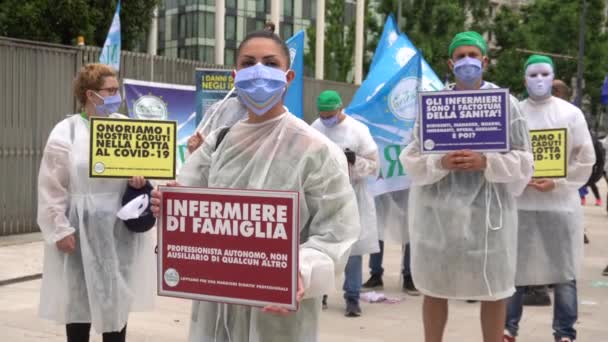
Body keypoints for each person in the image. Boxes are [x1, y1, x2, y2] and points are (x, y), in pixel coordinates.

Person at [151, 30, 360, 342]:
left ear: (288, 77)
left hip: (276, 309)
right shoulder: (218, 142)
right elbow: (188, 200)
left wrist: (299, 270)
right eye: (248, 63)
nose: (259, 71)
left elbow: (336, 234)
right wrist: (167, 204)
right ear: (236, 76)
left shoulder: (317, 150)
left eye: (271, 63)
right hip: (216, 301)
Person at [400, 31, 534, 342]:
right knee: (435, 287)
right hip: (438, 215)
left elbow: (525, 159)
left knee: (494, 288)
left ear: (485, 61)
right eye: (460, 56)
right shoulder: (434, 105)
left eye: (473, 55)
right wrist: (440, 163)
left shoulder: (507, 105)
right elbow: (412, 156)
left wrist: (486, 161)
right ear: (450, 63)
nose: (467, 62)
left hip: (490, 215)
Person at [37, 63, 156, 342]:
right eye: (111, 91)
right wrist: (59, 228)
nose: (118, 96)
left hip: (119, 231)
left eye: (118, 90)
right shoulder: (66, 131)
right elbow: (51, 185)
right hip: (79, 230)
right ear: (91, 94)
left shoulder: (124, 128)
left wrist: (138, 180)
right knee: (78, 304)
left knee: (116, 302)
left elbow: (147, 170)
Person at [503, 55, 595, 342]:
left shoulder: (570, 114)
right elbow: (504, 156)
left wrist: (558, 182)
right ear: (524, 78)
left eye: (544, 73)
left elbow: (585, 159)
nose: (539, 79)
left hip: (560, 207)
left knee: (564, 271)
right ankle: (508, 328)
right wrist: (520, 179)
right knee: (514, 272)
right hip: (522, 205)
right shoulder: (514, 113)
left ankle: (565, 332)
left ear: (553, 76)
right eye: (533, 74)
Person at [311, 90, 380, 317]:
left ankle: (352, 297)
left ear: (341, 108)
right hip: (322, 196)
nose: (326, 118)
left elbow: (374, 165)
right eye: (323, 114)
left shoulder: (358, 130)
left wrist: (355, 162)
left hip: (352, 196)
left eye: (330, 114)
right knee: (320, 247)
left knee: (352, 249)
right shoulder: (315, 128)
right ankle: (319, 293)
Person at [363, 190, 419, 296]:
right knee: (377, 227)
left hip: (406, 185)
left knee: (410, 228)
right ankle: (376, 274)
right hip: (383, 184)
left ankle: (409, 275)